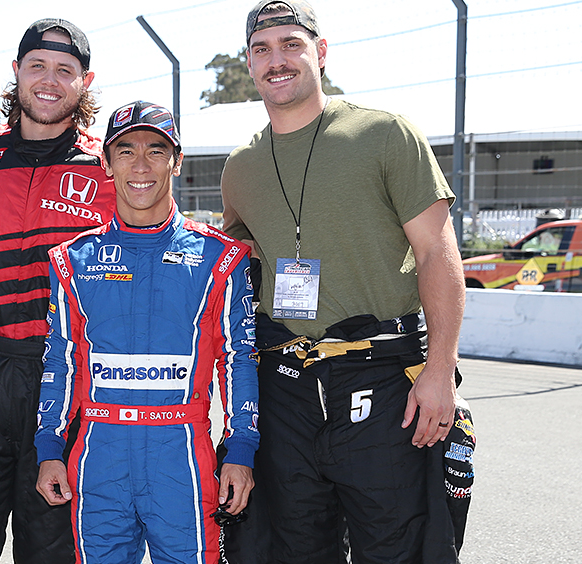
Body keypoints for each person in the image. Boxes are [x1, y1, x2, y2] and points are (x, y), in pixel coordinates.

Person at [219, 1, 469, 563]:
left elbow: (437, 253)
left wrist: (439, 372)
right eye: (262, 50)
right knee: (292, 548)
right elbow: (237, 270)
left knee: (396, 546)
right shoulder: (240, 167)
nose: (276, 60)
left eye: (291, 45)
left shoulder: (384, 134)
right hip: (286, 385)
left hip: (381, 380)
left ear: (321, 53)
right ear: (250, 63)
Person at [34, 100, 260, 563]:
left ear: (177, 161)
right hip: (98, 455)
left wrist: (240, 447)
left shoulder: (221, 257)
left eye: (156, 151)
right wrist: (48, 447)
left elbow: (239, 359)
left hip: (181, 454)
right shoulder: (72, 260)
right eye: (126, 151)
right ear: (107, 164)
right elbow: (61, 361)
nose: (141, 166)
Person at [0, 18, 116, 564]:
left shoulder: (109, 169)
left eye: (65, 69)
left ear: (85, 81)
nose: (49, 80)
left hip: (69, 388)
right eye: (37, 65)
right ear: (16, 71)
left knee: (56, 552)